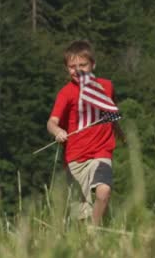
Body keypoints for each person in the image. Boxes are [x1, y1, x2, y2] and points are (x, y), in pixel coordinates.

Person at [47, 39, 122, 226]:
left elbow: (111, 111)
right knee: (79, 214)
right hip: (75, 159)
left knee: (103, 191)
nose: (78, 70)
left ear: (93, 65)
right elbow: (51, 122)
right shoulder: (66, 93)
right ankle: (84, 239)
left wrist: (119, 131)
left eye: (83, 65)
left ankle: (94, 231)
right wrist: (57, 131)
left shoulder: (106, 86)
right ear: (66, 68)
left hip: (101, 152)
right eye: (72, 66)